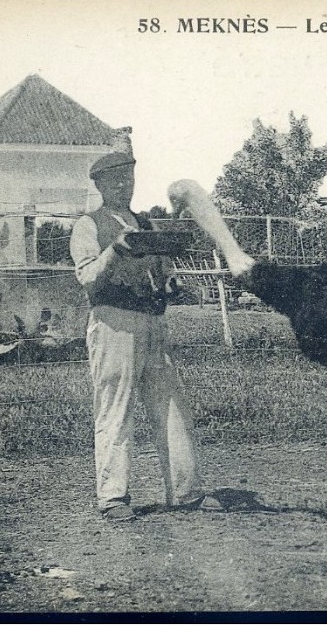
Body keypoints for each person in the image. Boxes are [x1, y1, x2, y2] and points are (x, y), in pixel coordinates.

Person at [70, 151, 221, 521]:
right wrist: (117, 248)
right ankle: (113, 497)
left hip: (153, 321)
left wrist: (173, 283)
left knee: (169, 406)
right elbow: (88, 279)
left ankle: (186, 492)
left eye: (129, 178)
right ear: (101, 184)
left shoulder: (145, 224)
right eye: (116, 180)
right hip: (113, 322)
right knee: (115, 409)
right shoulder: (89, 225)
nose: (125, 185)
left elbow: (163, 271)